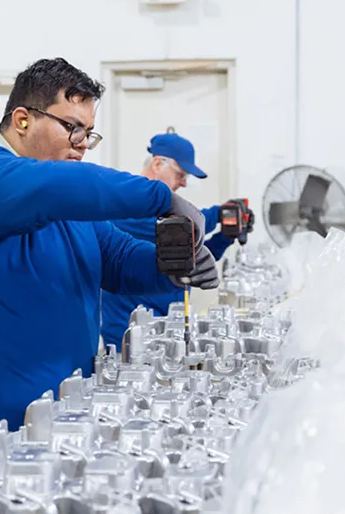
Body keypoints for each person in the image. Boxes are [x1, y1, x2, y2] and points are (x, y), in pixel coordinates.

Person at [0, 58, 219, 512]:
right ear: (22, 119)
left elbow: (118, 258)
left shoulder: (59, 201)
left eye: (89, 133)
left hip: (43, 438)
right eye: (72, 128)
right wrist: (160, 196)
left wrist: (171, 263)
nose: (82, 145)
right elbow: (56, 186)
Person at [101, 132, 254, 350]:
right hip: (128, 334)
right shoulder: (127, 205)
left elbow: (188, 259)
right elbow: (178, 231)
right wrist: (218, 214)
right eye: (180, 174)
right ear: (157, 163)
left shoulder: (164, 211)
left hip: (166, 329)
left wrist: (225, 237)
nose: (183, 183)